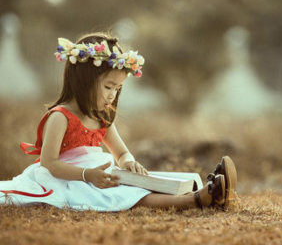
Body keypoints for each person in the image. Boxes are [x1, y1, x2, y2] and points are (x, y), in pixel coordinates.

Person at [0, 33, 237, 211]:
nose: (113, 95)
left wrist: (129, 163)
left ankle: (209, 186)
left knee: (146, 181)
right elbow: (49, 163)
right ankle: (195, 201)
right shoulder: (60, 117)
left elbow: (121, 153)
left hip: (101, 176)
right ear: (83, 81)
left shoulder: (101, 118)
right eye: (108, 86)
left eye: (118, 88)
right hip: (69, 180)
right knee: (130, 195)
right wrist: (87, 175)